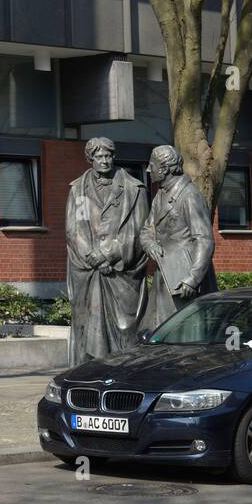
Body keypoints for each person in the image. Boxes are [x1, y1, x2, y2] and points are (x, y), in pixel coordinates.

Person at [64, 136, 150, 364]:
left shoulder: (134, 189)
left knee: (125, 331)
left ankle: (123, 370)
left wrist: (108, 254)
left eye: (108, 156)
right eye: (99, 156)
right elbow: (75, 229)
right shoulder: (78, 190)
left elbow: (138, 231)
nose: (104, 161)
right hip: (88, 271)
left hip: (121, 271)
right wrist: (91, 256)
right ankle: (87, 373)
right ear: (90, 159)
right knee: (87, 327)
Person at [138, 144, 216, 334]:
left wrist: (193, 278)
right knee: (158, 330)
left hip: (184, 278)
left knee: (185, 332)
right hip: (164, 275)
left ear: (164, 169)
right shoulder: (160, 195)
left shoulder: (190, 194)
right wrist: (150, 245)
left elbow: (204, 239)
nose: (148, 170)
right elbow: (146, 229)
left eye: (152, 165)